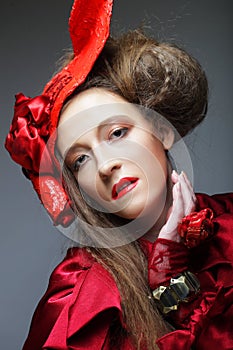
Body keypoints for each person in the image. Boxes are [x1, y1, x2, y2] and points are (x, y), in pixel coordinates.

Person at [5, 0, 233, 349]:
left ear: (163, 131)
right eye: (80, 160)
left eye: (116, 133)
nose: (105, 165)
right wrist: (170, 280)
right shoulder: (80, 293)